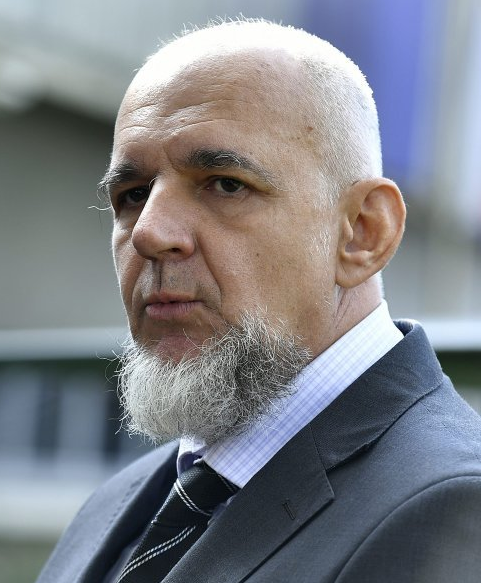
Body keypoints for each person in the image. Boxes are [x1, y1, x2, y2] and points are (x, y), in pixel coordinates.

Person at [36, 18, 481, 583]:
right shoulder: (121, 503)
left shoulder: (452, 508)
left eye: (225, 184)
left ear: (363, 233)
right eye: (132, 195)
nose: (148, 232)